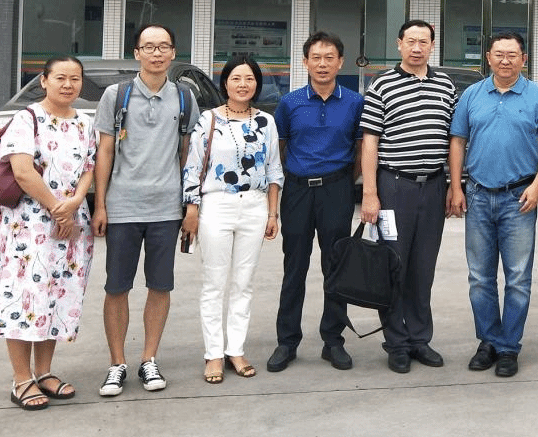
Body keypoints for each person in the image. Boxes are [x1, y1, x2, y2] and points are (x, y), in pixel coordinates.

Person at [92, 24, 199, 396]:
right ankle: (116, 364)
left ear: (173, 53)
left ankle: (148, 359)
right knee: (116, 287)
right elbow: (105, 151)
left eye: (163, 46)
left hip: (166, 209)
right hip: (122, 206)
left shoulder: (184, 97)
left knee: (160, 285)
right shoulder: (116, 95)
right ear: (136, 53)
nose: (156, 53)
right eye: (149, 46)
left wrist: (189, 205)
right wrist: (100, 204)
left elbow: (188, 155)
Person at [0, 55, 96, 410]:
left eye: (75, 78)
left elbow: (89, 168)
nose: (68, 84)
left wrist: (74, 203)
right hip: (28, 225)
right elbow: (22, 171)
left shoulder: (85, 122)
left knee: (57, 295)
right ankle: (21, 379)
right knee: (23, 297)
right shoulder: (26, 118)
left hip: (70, 223)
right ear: (44, 81)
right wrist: (56, 208)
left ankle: (44, 372)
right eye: (60, 77)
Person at [448, 32, 538, 378]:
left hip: (519, 198)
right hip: (478, 195)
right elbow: (458, 140)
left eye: (512, 54)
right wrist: (456, 187)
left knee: (518, 278)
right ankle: (488, 341)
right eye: (499, 54)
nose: (505, 60)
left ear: (523, 59)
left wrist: (537, 187)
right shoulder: (472, 94)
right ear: (488, 57)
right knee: (480, 278)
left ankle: (509, 346)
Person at [359, 20, 457, 374]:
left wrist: (453, 185)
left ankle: (419, 338)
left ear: (432, 46)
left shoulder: (446, 85)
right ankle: (396, 342)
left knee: (423, 267)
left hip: (433, 187)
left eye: (424, 42)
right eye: (411, 41)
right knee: (393, 265)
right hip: (394, 187)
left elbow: (453, 139)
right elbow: (370, 141)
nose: (417, 48)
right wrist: (370, 193)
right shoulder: (382, 84)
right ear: (399, 44)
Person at [182, 55, 282, 383]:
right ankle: (213, 353)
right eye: (236, 78)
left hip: (254, 206)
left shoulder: (266, 121)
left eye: (249, 79)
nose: (243, 84)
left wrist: (272, 213)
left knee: (243, 282)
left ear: (257, 84)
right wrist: (192, 209)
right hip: (217, 205)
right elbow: (192, 166)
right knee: (214, 283)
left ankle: (235, 349)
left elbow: (273, 169)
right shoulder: (208, 119)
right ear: (225, 83)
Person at [268, 32, 363, 373]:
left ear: (340, 62)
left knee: (335, 266)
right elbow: (279, 149)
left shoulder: (354, 102)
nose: (323, 64)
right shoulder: (290, 103)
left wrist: (344, 182)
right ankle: (287, 341)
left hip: (336, 190)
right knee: (294, 266)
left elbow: (359, 150)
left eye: (329, 57)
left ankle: (333, 340)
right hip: (297, 191)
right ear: (305, 62)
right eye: (316, 58)